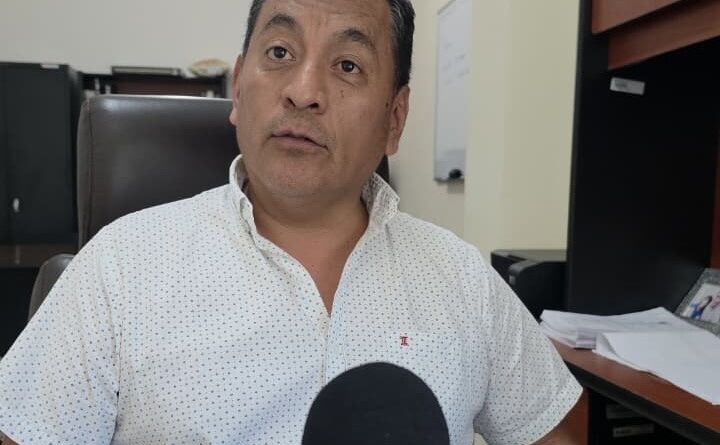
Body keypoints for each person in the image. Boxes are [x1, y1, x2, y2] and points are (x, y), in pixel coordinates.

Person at [0, 1, 582, 444]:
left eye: (347, 65)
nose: (303, 92)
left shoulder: (459, 276)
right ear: (237, 87)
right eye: (280, 53)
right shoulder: (122, 267)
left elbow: (555, 428)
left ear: (395, 119)